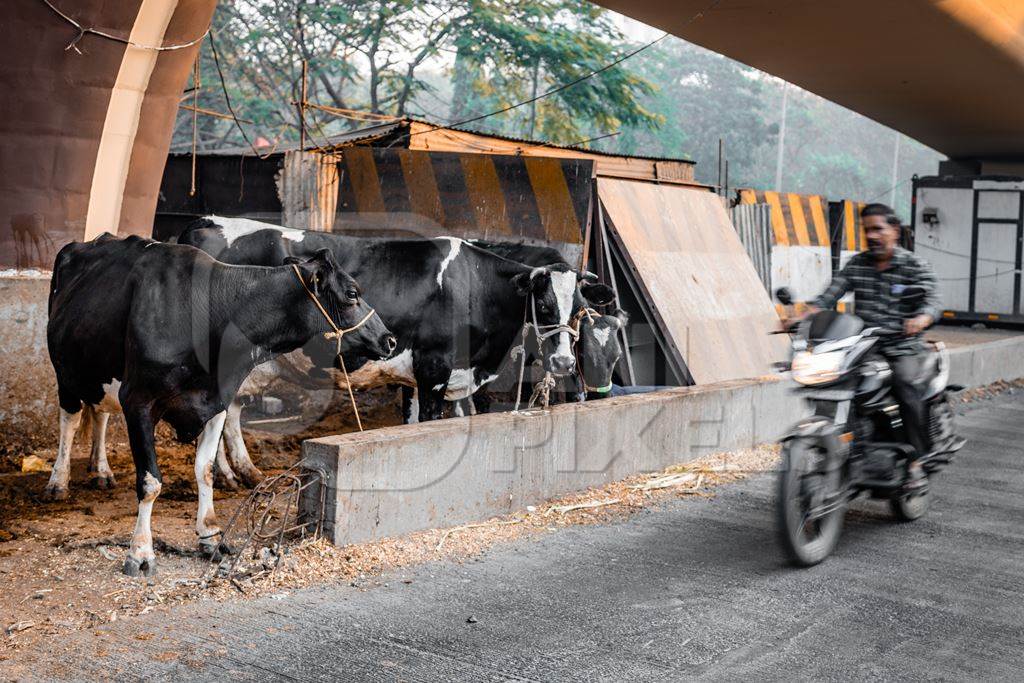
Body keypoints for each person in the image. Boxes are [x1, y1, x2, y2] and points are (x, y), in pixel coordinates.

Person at [805, 203, 940, 490]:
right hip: (867, 347)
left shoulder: (913, 265)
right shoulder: (857, 264)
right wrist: (805, 314)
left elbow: (932, 302)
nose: (872, 235)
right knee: (835, 381)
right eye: (867, 230)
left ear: (894, 230)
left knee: (906, 385)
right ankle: (850, 449)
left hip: (904, 347)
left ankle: (916, 462)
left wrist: (921, 318)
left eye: (878, 229)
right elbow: (830, 294)